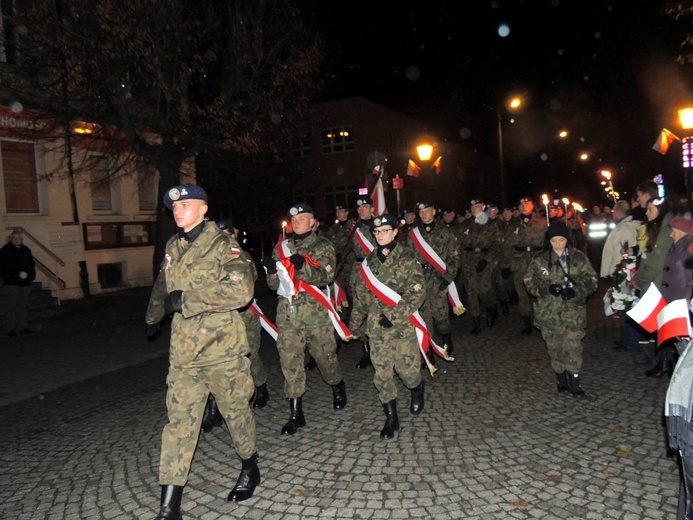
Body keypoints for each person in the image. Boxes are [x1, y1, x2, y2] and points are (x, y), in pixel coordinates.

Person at [145, 184, 259, 518]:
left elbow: (242, 290)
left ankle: (250, 465)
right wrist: (153, 315)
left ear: (203, 209)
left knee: (236, 415)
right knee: (179, 424)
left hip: (222, 350)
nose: (178, 211)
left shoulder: (224, 245)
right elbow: (163, 285)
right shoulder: (172, 245)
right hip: (183, 354)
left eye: (185, 205)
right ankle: (169, 507)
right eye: (174, 207)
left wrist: (188, 301)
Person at [262, 203, 347, 436]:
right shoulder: (281, 248)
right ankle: (296, 413)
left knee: (325, 358)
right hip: (288, 316)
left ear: (313, 222)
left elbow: (326, 276)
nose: (297, 221)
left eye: (303, 217)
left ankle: (337, 385)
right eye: (294, 218)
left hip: (315, 314)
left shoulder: (322, 245)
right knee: (290, 363)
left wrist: (302, 268)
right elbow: (273, 286)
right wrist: (270, 271)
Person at [348, 214, 426, 439]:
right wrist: (353, 325)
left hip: (401, 324)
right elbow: (361, 298)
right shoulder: (368, 263)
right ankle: (391, 418)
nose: (381, 235)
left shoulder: (408, 258)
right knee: (382, 373)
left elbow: (417, 292)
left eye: (385, 231)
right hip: (376, 326)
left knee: (407, 370)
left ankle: (417, 387)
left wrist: (394, 314)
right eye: (377, 232)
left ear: (394, 232)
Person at [199, 218, 270, 434]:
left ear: (234, 234)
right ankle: (214, 410)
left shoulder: (242, 257)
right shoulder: (209, 259)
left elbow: (246, 284)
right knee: (215, 362)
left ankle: (261, 386)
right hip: (219, 318)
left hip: (244, 315)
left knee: (250, 355)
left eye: (228, 233)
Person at [523, 221, 598, 396]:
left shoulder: (578, 258)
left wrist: (576, 292)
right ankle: (560, 376)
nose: (557, 244)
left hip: (573, 313)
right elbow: (529, 281)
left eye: (561, 240)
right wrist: (545, 289)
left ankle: (575, 379)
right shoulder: (540, 260)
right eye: (554, 240)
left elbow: (592, 280)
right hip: (548, 313)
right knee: (554, 347)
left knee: (572, 346)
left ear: (567, 240)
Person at [406, 198, 460, 355]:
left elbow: (454, 257)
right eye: (421, 211)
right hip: (420, 278)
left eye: (427, 210)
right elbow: (408, 258)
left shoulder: (445, 232)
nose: (423, 214)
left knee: (441, 314)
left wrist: (448, 278)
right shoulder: (413, 234)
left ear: (434, 212)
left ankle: (446, 337)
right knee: (424, 316)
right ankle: (428, 348)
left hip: (439, 279)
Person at [644, 215, 693, 377]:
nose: (671, 235)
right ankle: (666, 364)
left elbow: (691, 280)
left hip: (679, 301)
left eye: (673, 231)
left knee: (679, 339)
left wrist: (686, 301)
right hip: (671, 297)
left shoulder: (687, 250)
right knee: (667, 334)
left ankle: (680, 372)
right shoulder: (677, 246)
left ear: (681, 232)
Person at [600, 200, 642, 351]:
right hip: (627, 272)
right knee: (625, 304)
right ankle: (630, 338)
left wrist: (608, 271)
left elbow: (616, 254)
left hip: (622, 273)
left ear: (617, 213)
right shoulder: (633, 225)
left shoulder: (623, 229)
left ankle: (631, 341)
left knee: (626, 306)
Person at [505, 196, 548, 335]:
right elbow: (507, 245)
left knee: (539, 292)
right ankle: (527, 322)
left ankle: (542, 320)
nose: (524, 206)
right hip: (520, 261)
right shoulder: (513, 225)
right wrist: (506, 264)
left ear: (532, 206)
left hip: (537, 259)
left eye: (527, 203)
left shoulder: (543, 221)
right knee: (522, 292)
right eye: (521, 204)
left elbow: (549, 242)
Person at [457, 198, 499, 334]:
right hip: (468, 261)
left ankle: (490, 307)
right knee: (471, 292)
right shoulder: (464, 225)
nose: (476, 208)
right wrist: (461, 263)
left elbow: (496, 244)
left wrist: (486, 260)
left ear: (483, 207)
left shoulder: (491, 224)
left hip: (484, 261)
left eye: (478, 206)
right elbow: (460, 245)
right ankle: (476, 321)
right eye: (473, 206)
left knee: (484, 290)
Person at [0, 230, 37, 337]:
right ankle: (10, 329)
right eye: (14, 238)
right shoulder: (4, 251)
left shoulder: (26, 250)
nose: (17, 240)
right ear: (10, 238)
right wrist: (10, 277)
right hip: (11, 283)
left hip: (25, 283)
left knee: (24, 305)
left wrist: (31, 276)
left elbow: (31, 264)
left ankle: (23, 327)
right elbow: (2, 267)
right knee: (11, 306)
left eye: (19, 238)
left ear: (22, 239)